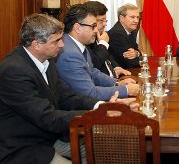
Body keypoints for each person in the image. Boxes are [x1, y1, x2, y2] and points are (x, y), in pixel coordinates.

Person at [0, 14, 136, 163]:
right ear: (36, 44)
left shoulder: (46, 59)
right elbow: (48, 118)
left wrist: (103, 106)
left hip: (51, 136)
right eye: (56, 41)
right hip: (24, 147)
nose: (62, 45)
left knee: (111, 151)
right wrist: (99, 114)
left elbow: (66, 97)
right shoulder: (13, 70)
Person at [56, 4, 139, 100]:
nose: (96, 30)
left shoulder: (78, 43)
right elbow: (90, 92)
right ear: (77, 28)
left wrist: (116, 83)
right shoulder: (70, 54)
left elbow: (92, 72)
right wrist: (126, 90)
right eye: (93, 26)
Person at [83, 1, 131, 78]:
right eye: (101, 20)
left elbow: (107, 55)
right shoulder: (86, 38)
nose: (105, 24)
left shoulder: (98, 34)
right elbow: (94, 64)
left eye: (105, 20)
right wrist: (103, 44)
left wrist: (116, 67)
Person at [108, 4, 142, 68]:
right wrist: (143, 58)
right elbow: (131, 62)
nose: (136, 21)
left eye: (137, 17)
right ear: (122, 18)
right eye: (132, 17)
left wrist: (137, 53)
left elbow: (136, 49)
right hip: (120, 74)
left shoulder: (131, 30)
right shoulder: (116, 33)